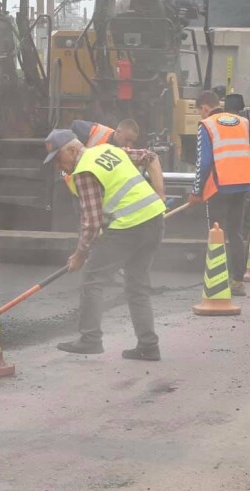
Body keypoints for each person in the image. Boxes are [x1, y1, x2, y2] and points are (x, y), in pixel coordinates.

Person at [45, 129, 168, 361]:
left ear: (72, 150)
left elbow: (91, 223)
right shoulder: (107, 149)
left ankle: (90, 339)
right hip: (154, 220)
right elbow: (151, 157)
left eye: (59, 159)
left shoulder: (83, 171)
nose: (59, 166)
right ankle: (148, 345)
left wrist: (80, 255)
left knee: (92, 279)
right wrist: (159, 193)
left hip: (130, 227)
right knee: (137, 285)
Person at [187, 90, 250, 296]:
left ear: (205, 107)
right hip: (242, 183)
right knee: (235, 233)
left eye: (200, 112)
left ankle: (217, 280)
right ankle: (237, 281)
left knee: (216, 232)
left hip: (220, 186)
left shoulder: (207, 125)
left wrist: (196, 191)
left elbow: (204, 162)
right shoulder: (242, 122)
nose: (201, 115)